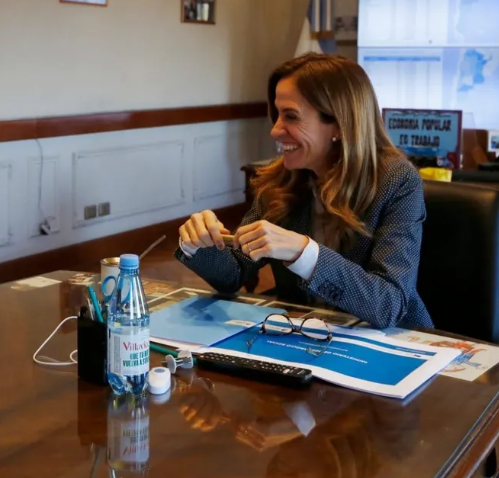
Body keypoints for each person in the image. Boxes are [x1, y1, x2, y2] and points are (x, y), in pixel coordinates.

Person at [177, 53, 432, 329]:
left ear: (339, 124)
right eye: (277, 115)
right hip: (303, 337)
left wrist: (305, 253)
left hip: (394, 342)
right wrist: (197, 243)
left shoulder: (397, 180)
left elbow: (389, 304)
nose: (275, 130)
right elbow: (234, 272)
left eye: (291, 116)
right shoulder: (280, 180)